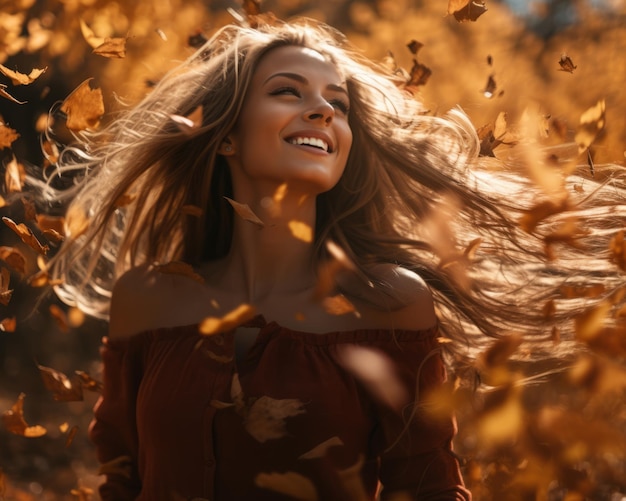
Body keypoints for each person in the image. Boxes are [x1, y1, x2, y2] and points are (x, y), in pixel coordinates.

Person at [41, 17, 625, 501]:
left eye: (337, 104)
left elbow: (426, 489)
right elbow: (121, 477)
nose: (323, 112)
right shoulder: (148, 298)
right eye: (287, 92)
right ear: (223, 136)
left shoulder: (388, 303)